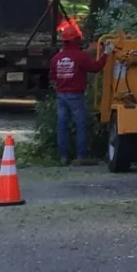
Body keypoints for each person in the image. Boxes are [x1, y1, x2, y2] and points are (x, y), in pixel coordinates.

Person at [48, 20, 105, 166]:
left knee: (62, 125)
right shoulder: (81, 56)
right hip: (76, 95)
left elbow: (53, 76)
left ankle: (63, 156)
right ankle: (81, 156)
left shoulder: (56, 58)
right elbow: (96, 68)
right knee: (81, 124)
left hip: (61, 95)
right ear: (75, 40)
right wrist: (106, 54)